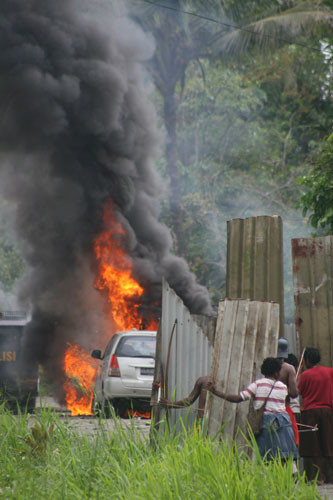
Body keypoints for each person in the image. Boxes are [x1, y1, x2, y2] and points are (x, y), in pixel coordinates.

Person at [208, 357, 299, 464]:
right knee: (284, 456)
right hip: (283, 423)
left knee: (266, 457)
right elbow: (293, 393)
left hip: (266, 423)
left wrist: (217, 393)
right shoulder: (283, 387)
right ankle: (286, 477)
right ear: (276, 373)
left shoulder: (258, 384)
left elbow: (238, 398)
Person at [298, 347, 333, 483]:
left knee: (314, 446)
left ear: (307, 360)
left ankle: (320, 476)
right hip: (327, 411)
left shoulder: (305, 375)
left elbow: (299, 391)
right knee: (329, 442)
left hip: (310, 412)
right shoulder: (330, 372)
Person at [277, 338, 299, 446]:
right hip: (285, 408)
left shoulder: (267, 366)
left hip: (267, 411)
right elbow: (294, 393)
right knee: (291, 444)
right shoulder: (289, 368)